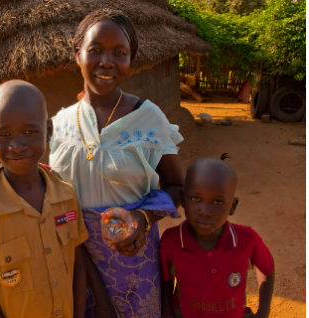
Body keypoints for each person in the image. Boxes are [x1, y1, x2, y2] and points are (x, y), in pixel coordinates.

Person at [49, 9, 184, 318]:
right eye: (95, 50)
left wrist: (143, 219)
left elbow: (176, 186)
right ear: (77, 54)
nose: (106, 61)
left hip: (135, 261)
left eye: (119, 53)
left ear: (130, 60)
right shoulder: (60, 124)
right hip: (76, 262)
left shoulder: (149, 120)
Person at [0, 80, 89, 318]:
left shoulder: (66, 196)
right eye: (3, 134)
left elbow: (77, 266)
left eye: (30, 132)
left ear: (48, 130)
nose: (16, 146)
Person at [160, 158, 275, 318]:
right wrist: (167, 311)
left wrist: (263, 311)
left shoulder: (246, 239)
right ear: (183, 198)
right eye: (195, 199)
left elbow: (267, 268)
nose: (205, 211)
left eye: (217, 202)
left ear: (232, 206)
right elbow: (166, 278)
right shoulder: (172, 241)